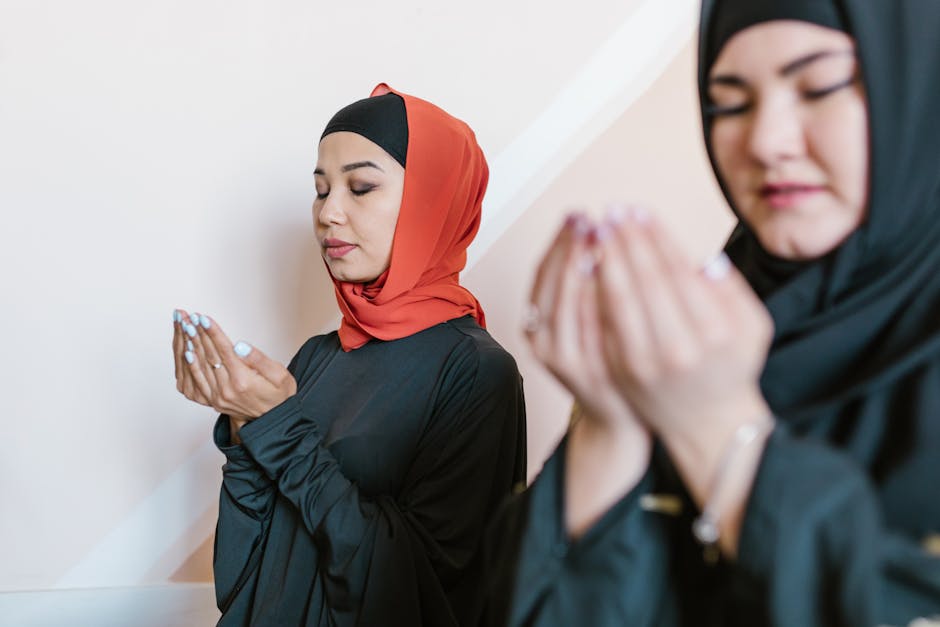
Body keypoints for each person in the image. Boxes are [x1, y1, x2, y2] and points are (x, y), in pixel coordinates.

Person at [480, 1, 940, 625]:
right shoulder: (698, 329)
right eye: (730, 102)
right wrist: (612, 426)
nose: (766, 141)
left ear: (914, 87)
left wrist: (720, 432)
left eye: (818, 86)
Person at [171, 83, 526, 626]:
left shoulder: (477, 373)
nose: (328, 213)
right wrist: (245, 430)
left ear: (433, 202)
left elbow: (423, 593)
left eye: (360, 187)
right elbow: (243, 576)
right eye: (320, 190)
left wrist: (281, 431)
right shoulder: (315, 358)